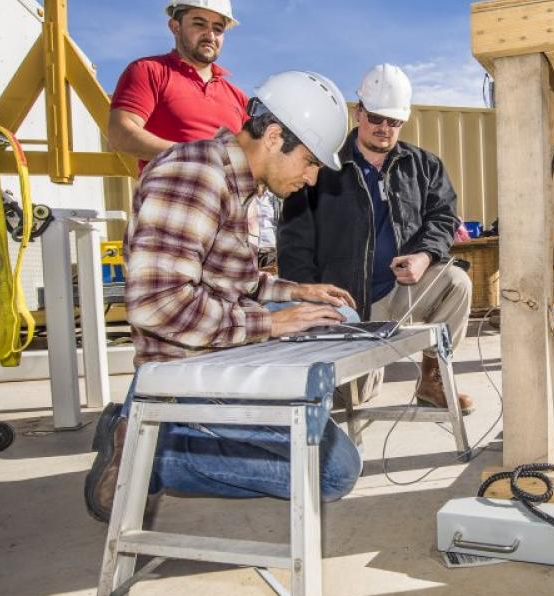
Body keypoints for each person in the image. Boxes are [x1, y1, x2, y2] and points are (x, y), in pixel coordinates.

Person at [84, 71, 362, 523]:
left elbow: (238, 281)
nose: (312, 179)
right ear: (274, 137)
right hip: (182, 371)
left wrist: (297, 292)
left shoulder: (240, 185)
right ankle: (149, 448)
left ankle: (240, 423)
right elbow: (157, 304)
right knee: (334, 473)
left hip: (217, 350)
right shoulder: (193, 176)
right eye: (310, 162)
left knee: (338, 315)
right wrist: (271, 323)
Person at [277, 64, 474, 412]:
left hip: (401, 291)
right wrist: (309, 297)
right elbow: (294, 240)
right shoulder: (322, 165)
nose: (384, 128)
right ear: (359, 113)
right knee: (351, 398)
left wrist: (425, 256)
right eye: (376, 118)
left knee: (456, 282)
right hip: (345, 301)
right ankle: (361, 370)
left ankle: (433, 380)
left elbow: (443, 217)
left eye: (393, 122)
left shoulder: (424, 165)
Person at [107, 0, 248, 170]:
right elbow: (120, 134)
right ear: (175, 26)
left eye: (218, 28)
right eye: (199, 24)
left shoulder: (238, 98)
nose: (210, 36)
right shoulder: (148, 71)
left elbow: (257, 155)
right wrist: (193, 156)